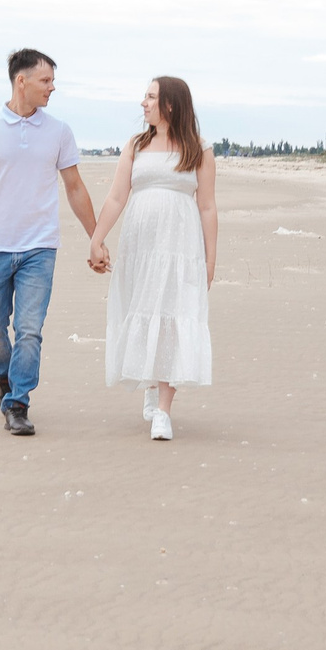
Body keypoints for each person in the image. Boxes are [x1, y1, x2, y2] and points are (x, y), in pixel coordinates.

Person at [0, 48, 97, 436]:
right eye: (46, 81)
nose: (52, 88)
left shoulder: (59, 131)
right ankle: (6, 377)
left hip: (40, 247)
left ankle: (17, 403)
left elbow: (75, 187)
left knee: (30, 329)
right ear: (22, 81)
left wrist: (96, 238)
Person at [84, 75, 216, 440]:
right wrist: (97, 239)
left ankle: (163, 411)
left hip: (180, 248)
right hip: (140, 247)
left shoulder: (199, 149)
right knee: (142, 310)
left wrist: (210, 259)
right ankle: (152, 384)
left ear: (170, 104)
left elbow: (207, 207)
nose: (143, 103)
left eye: (150, 97)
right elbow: (115, 198)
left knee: (174, 315)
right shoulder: (136, 145)